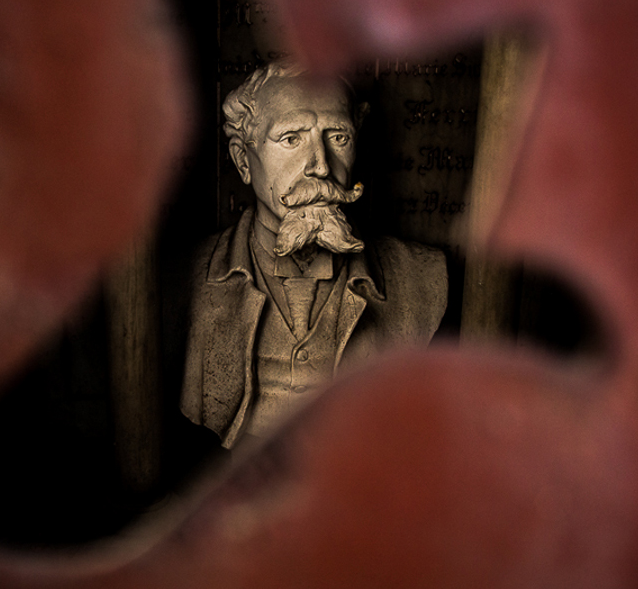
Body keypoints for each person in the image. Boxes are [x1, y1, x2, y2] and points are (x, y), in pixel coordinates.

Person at [181, 61, 447, 448]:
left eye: (338, 137)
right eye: (292, 138)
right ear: (243, 161)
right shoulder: (186, 281)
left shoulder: (422, 277)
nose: (320, 165)